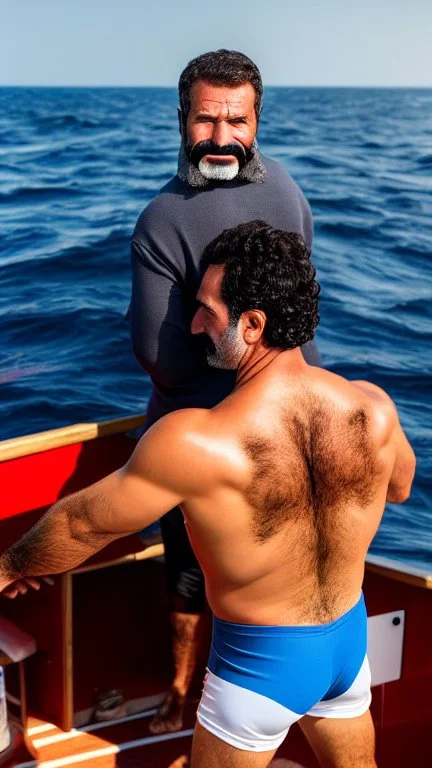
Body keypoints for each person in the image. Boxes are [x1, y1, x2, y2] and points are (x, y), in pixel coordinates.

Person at [0, 221, 415, 768]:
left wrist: (10, 565)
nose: (195, 325)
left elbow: (82, 526)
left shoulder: (195, 440)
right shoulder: (373, 407)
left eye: (207, 310)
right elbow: (401, 490)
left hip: (260, 665)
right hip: (346, 641)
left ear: (252, 325)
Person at [130, 48, 319, 733]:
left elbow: (161, 359)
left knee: (192, 576)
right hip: (288, 427)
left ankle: (191, 698)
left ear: (258, 117)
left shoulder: (161, 217)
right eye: (206, 120)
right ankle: (260, 698)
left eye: (235, 120)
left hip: (208, 437)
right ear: (181, 117)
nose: (220, 137)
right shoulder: (289, 190)